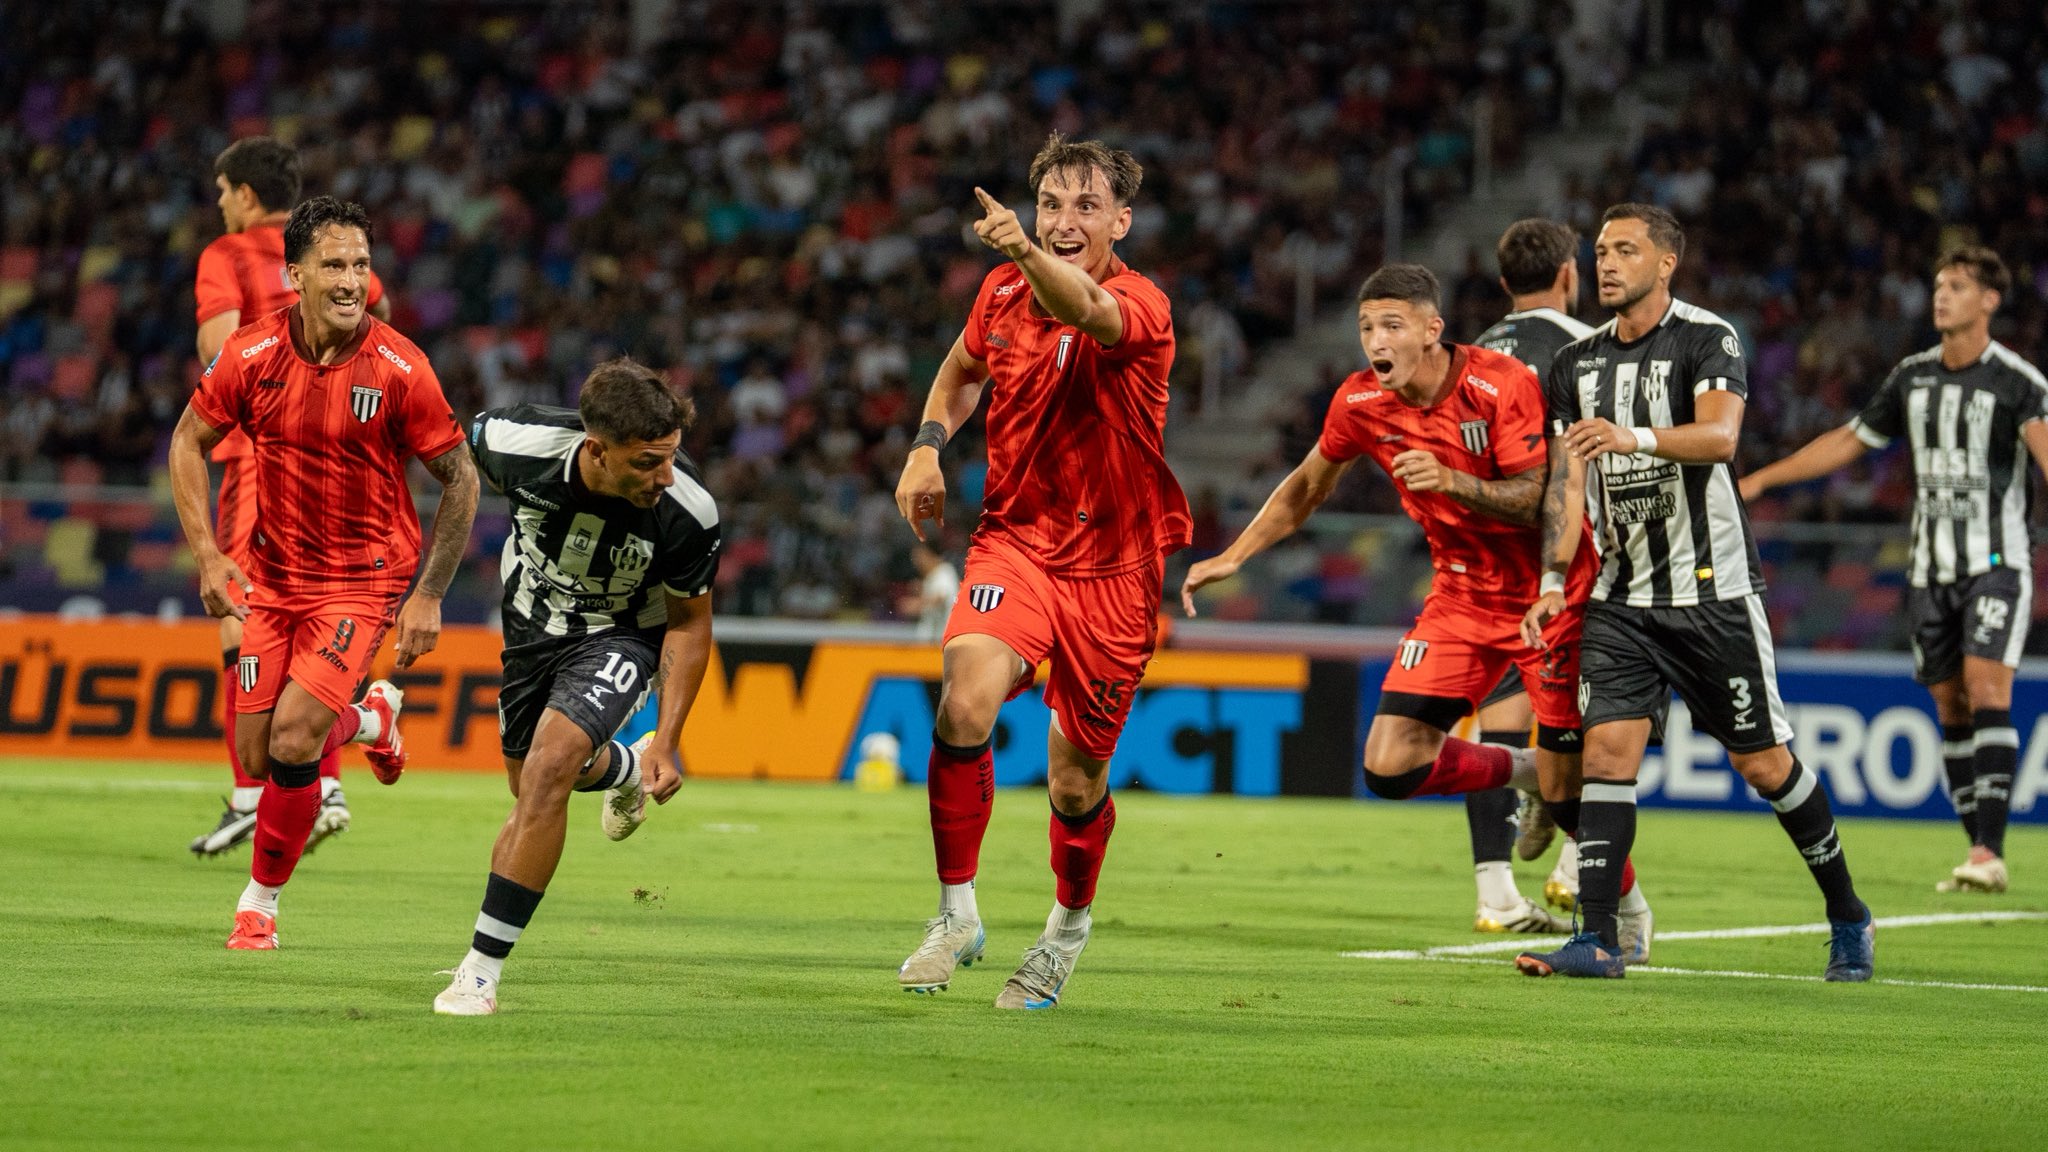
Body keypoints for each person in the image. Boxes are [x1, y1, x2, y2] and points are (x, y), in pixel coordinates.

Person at [1183, 264, 1652, 952]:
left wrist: (1454, 481)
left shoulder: (1501, 385)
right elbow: (1308, 484)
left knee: (1568, 792)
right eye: (1367, 326)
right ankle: (1525, 771)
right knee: (1391, 764)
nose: (1376, 338)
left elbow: (1542, 494)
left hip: (1550, 597)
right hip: (1460, 597)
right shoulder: (1360, 402)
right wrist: (1237, 554)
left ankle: (1630, 908)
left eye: (1392, 325)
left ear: (1432, 331)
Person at [1515, 203, 1874, 981]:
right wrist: (1551, 579)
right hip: (1621, 596)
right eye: (1600, 251)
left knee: (1765, 767)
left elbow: (1721, 439)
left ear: (1666, 263)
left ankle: (1847, 911)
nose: (1606, 263)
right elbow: (1566, 486)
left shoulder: (1708, 338)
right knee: (1608, 753)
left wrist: (1632, 436)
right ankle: (1598, 940)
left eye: (1625, 250)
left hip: (1713, 594)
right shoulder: (1575, 367)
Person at [892, 133, 1189, 1009]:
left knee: (1074, 780)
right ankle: (955, 914)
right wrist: (925, 447)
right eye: (1051, 205)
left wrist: (1022, 250)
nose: (1064, 222)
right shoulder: (998, 293)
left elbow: (1087, 313)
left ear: (1121, 222)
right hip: (1015, 541)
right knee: (965, 699)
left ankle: (1065, 929)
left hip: (1115, 572)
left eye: (1085, 207)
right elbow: (957, 373)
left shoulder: (1145, 306)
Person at [169, 196, 478, 951]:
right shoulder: (248, 355)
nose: (350, 281)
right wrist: (209, 554)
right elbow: (187, 442)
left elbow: (461, 478)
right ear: (295, 273)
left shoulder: (403, 368)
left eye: (361, 266)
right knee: (254, 753)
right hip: (273, 580)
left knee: (297, 738)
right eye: (334, 265)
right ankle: (373, 719)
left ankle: (259, 907)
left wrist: (428, 595)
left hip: (363, 580)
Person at [1741, 246, 2048, 894]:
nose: (1942, 296)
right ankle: (1976, 847)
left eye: (1958, 286)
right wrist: (1764, 478)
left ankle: (1989, 851)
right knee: (1950, 705)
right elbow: (1849, 441)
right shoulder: (1913, 376)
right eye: (1939, 285)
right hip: (1929, 569)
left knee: (1988, 687)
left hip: (1997, 564)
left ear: (1989, 300)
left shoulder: (2019, 382)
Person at [433, 359, 720, 1016]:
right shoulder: (510, 441)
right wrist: (427, 589)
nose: (666, 475)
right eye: (648, 461)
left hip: (623, 633)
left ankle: (480, 970)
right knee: (526, 781)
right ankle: (619, 767)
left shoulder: (687, 510)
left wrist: (670, 742)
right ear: (596, 448)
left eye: (672, 457)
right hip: (530, 622)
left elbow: (690, 626)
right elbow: (443, 463)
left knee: (548, 771)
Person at [187, 136, 391, 858]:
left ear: (244, 193)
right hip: (339, 461)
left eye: (221, 192)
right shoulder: (334, 254)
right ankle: (319, 782)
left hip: (257, 458)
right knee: (312, 610)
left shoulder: (229, 254)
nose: (219, 206)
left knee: (244, 616)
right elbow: (380, 327)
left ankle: (266, 792)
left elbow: (221, 351)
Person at [1469, 218, 1602, 913]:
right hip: (1565, 555)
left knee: (1498, 721)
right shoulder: (1589, 347)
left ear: (1503, 284)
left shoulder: (1469, 355)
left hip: (1486, 559)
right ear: (1569, 275)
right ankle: (1578, 862)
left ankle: (1494, 891)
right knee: (1590, 712)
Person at [904, 542, 961, 643]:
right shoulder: (931, 576)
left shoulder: (945, 572)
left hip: (941, 640)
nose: (917, 563)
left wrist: (918, 604)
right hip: (930, 639)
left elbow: (941, 596)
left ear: (930, 555)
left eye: (920, 557)